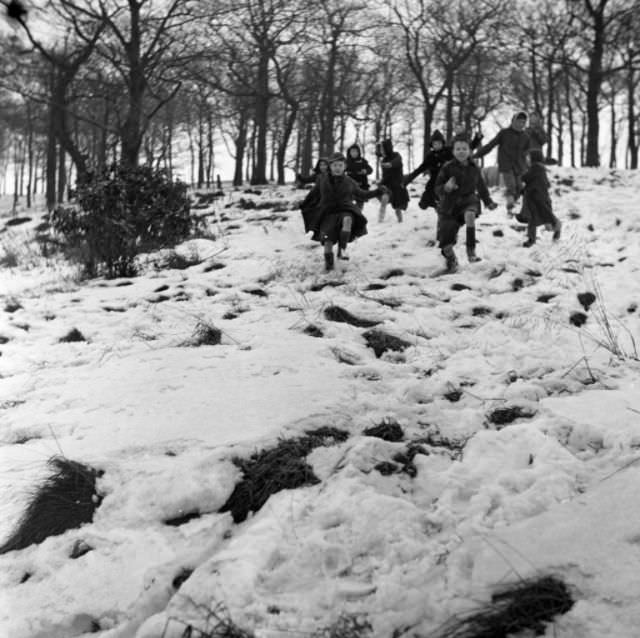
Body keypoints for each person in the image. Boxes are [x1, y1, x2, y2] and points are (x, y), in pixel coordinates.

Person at [303, 152, 387, 271]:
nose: (338, 168)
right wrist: (304, 205)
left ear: (344, 167)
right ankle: (329, 267)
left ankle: (342, 250)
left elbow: (362, 195)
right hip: (328, 214)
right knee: (328, 243)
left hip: (345, 209)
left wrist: (377, 192)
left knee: (347, 220)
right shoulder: (322, 180)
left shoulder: (349, 181)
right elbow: (313, 195)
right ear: (330, 166)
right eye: (335, 165)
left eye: (340, 165)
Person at [435, 135, 498, 272]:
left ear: (469, 151)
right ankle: (451, 259)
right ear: (453, 151)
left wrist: (488, 202)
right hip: (449, 207)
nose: (461, 151)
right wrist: (446, 187)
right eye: (458, 149)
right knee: (446, 245)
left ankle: (471, 252)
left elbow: (481, 187)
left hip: (468, 200)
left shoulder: (474, 167)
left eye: (464, 148)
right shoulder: (447, 168)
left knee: (470, 215)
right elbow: (437, 188)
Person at [473, 112, 530, 217]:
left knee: (519, 188)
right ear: (513, 121)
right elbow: (491, 145)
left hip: (519, 166)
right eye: (518, 121)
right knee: (511, 186)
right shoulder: (504, 133)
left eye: (523, 122)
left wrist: (529, 165)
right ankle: (510, 208)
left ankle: (512, 206)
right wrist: (476, 155)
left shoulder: (525, 136)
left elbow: (527, 153)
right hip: (506, 165)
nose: (520, 124)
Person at [519, 148, 561, 247]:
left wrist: (520, 177)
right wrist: (524, 190)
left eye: (529, 158)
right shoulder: (537, 169)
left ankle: (558, 228)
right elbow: (532, 183)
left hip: (540, 199)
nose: (527, 160)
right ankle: (531, 239)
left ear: (534, 158)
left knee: (548, 217)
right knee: (532, 219)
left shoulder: (537, 168)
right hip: (534, 198)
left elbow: (526, 177)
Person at [377, 138, 409, 223]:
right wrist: (381, 183)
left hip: (397, 186)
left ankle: (400, 222)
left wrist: (390, 164)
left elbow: (397, 161)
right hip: (388, 186)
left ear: (387, 148)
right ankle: (380, 220)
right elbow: (385, 176)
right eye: (380, 149)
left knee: (397, 208)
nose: (381, 151)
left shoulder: (396, 155)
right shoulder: (383, 160)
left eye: (382, 149)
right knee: (384, 199)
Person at [345, 143, 373, 210]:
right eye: (352, 151)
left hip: (361, 186)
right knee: (347, 202)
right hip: (350, 186)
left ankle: (358, 214)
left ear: (358, 152)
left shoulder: (363, 161)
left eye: (355, 151)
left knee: (360, 205)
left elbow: (370, 169)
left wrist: (365, 171)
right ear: (349, 152)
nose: (354, 153)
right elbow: (341, 170)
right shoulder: (346, 162)